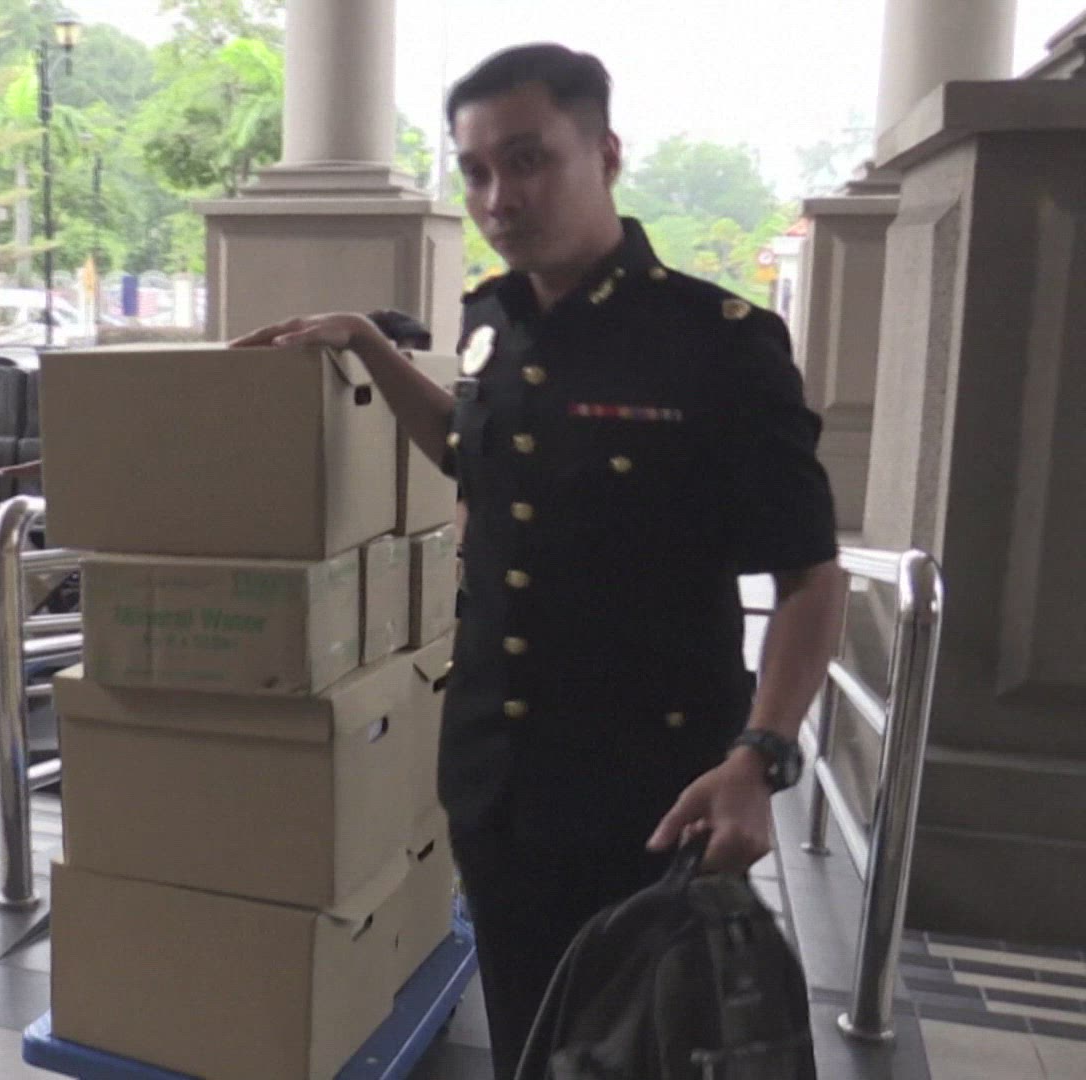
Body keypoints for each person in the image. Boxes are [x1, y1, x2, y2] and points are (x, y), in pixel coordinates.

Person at [232, 43, 844, 1077]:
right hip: (497, 777)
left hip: (650, 790)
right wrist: (370, 346)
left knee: (639, 1048)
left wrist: (760, 757)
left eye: (527, 160)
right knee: (526, 1029)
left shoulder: (718, 340)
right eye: (475, 170)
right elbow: (468, 450)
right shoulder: (490, 321)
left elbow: (811, 579)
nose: (498, 198)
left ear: (604, 154)